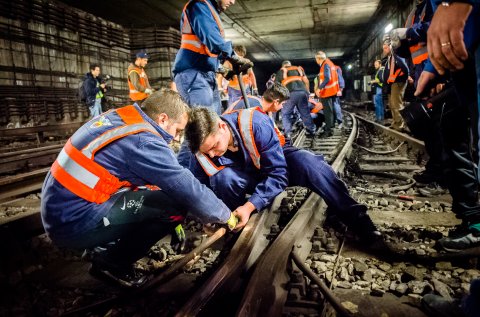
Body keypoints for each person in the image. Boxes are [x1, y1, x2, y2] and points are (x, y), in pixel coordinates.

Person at [41, 90, 238, 288]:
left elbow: (145, 181)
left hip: (61, 211)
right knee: (174, 208)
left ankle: (101, 245)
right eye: (177, 131)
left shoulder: (123, 118)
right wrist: (225, 215)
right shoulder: (143, 141)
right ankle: (110, 264)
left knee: (159, 199)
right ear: (162, 119)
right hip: (72, 223)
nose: (175, 138)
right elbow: (184, 185)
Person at [184, 83, 381, 243]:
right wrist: (208, 215)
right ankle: (234, 227)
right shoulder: (200, 150)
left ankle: (359, 221)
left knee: (311, 165)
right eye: (206, 151)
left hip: (275, 161)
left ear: (221, 126)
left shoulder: (256, 124)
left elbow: (278, 174)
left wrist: (251, 205)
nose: (212, 153)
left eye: (215, 145)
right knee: (223, 177)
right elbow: (197, 189)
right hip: (244, 174)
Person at [414, 0, 480, 252]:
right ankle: (474, 220)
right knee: (451, 133)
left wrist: (458, 2)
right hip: (459, 60)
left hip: (468, 46)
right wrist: (434, 67)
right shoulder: (421, 8)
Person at [172, 0, 252, 114]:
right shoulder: (198, 6)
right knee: (204, 124)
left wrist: (222, 70)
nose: (233, 2)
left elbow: (206, 52)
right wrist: (234, 57)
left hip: (205, 74)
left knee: (214, 121)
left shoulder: (209, 10)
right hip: (193, 73)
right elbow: (213, 40)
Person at [275, 60, 316, 138]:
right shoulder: (298, 69)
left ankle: (288, 133)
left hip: (290, 94)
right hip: (302, 93)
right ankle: (311, 130)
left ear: (283, 66)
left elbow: (277, 86)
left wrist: (280, 99)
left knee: (285, 114)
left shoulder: (281, 71)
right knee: (305, 113)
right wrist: (308, 93)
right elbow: (306, 81)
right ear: (290, 65)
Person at [382, 40, 409, 131]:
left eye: (386, 48)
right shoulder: (390, 58)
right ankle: (395, 122)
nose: (384, 50)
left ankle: (400, 124)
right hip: (392, 84)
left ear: (391, 47)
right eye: (383, 49)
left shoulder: (396, 57)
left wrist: (399, 78)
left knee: (397, 104)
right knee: (392, 104)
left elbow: (405, 69)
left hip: (397, 83)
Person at [314, 51, 340, 137]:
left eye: (316, 59)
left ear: (318, 58)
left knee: (328, 112)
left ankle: (328, 131)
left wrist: (319, 88)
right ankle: (330, 127)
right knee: (331, 110)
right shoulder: (330, 63)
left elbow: (327, 78)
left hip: (327, 92)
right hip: (332, 91)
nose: (316, 61)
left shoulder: (325, 64)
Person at [333, 64, 345, 128]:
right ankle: (338, 121)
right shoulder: (336, 68)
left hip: (332, 91)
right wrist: (341, 88)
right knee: (335, 105)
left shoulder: (327, 69)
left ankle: (337, 121)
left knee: (334, 105)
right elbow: (340, 79)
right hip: (334, 90)